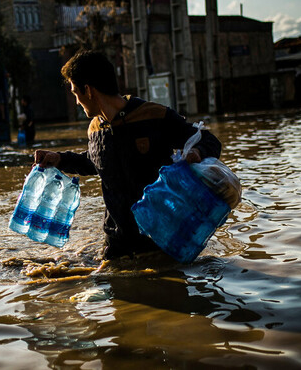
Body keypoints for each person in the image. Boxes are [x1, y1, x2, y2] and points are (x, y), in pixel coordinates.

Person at [34, 51, 222, 260]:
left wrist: (196, 152)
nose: (76, 101)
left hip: (161, 240)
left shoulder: (154, 115)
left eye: (75, 92)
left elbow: (208, 140)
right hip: (116, 243)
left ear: (88, 90)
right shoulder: (95, 129)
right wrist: (59, 159)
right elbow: (95, 161)